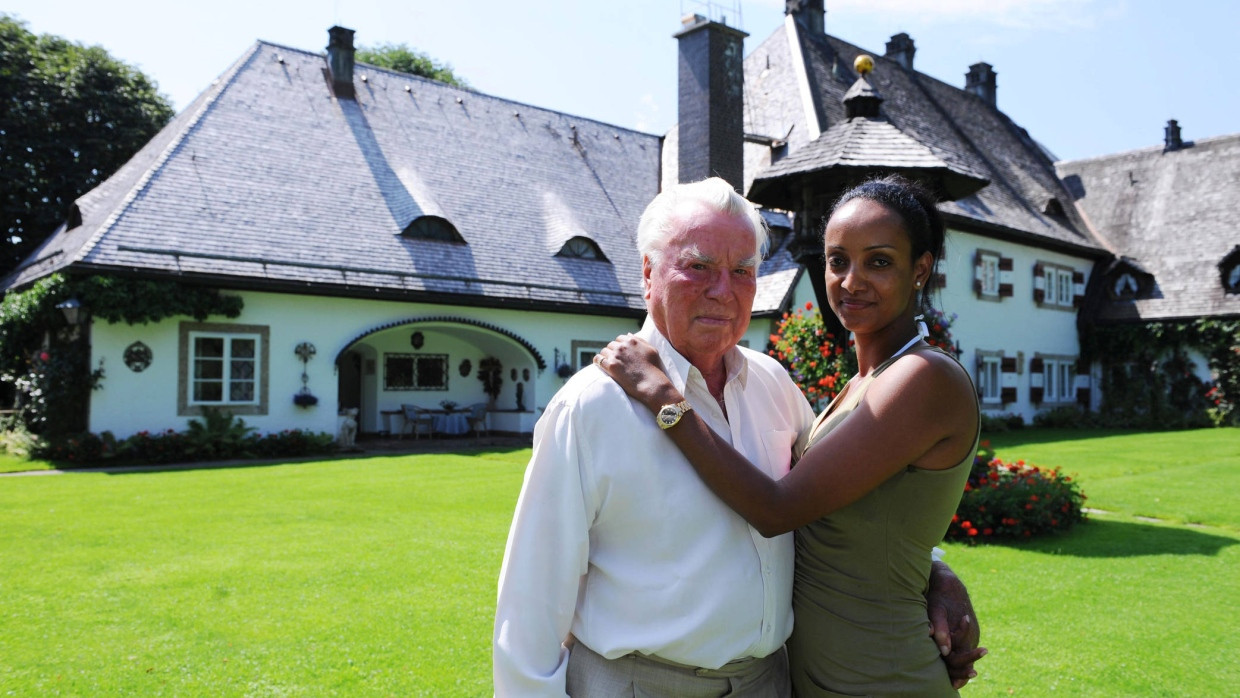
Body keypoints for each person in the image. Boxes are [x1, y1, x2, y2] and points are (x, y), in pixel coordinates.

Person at [494, 177, 982, 697]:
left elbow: (829, 498)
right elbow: (532, 598)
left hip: (770, 683)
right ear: (648, 274)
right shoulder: (591, 406)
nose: (722, 291)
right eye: (698, 266)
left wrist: (930, 571)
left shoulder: (771, 384)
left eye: (743, 271)